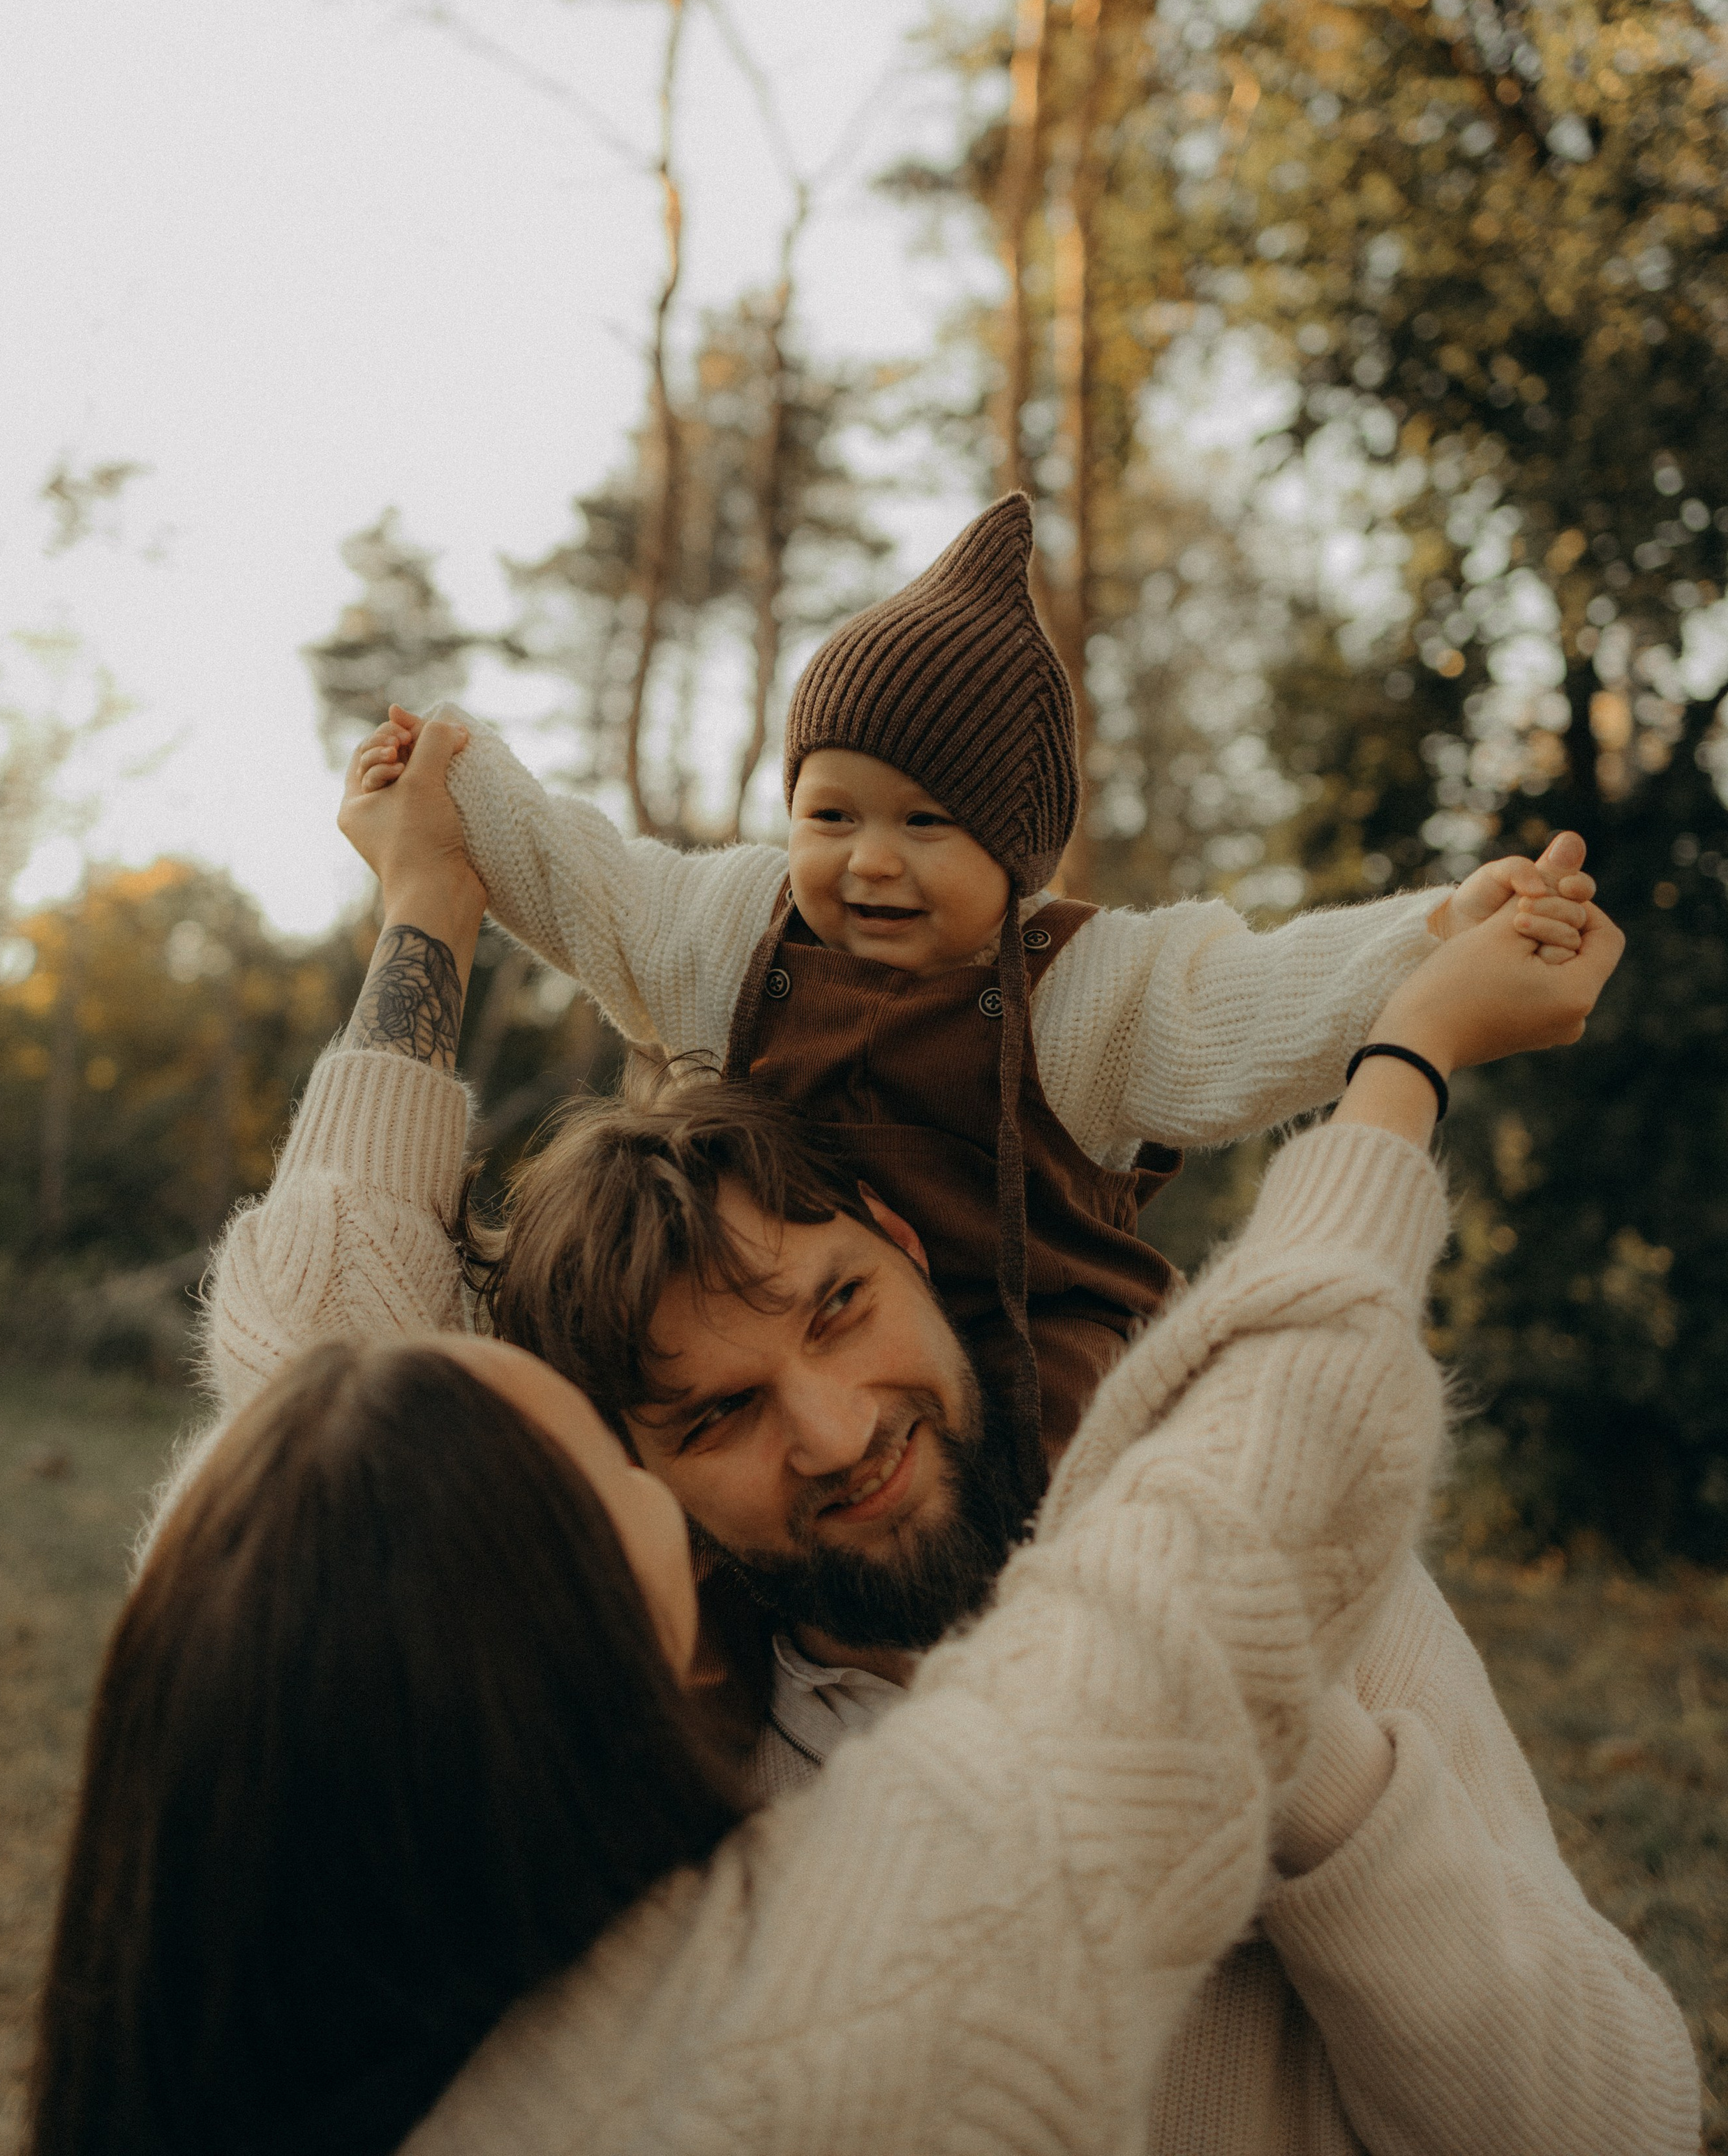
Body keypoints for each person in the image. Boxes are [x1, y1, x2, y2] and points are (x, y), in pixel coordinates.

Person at [33, 726, 1676, 2156]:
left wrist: (427, 905)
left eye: (833, 1307)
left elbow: (1615, 2126)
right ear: (636, 1496)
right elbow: (1205, 1581)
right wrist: (1408, 1064)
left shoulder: (1349, 1626)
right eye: (708, 1418)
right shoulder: (640, 1790)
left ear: (902, 1230)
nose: (832, 1433)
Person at [355, 492, 1593, 1500]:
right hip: (785, 1368)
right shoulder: (735, 932)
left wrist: (1438, 933)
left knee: (1064, 1559)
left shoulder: (1088, 988)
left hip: (1033, 1381)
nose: (870, 860)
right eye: (828, 815)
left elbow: (1266, 996)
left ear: (1017, 853)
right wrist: (450, 779)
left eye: (926, 824)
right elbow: (591, 883)